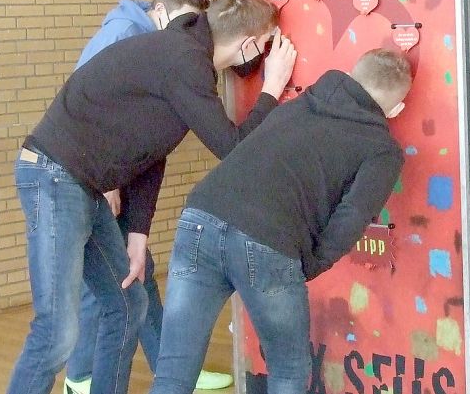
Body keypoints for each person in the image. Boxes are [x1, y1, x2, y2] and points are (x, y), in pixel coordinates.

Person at [6, 0, 297, 394]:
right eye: (266, 45)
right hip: (54, 176)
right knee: (56, 331)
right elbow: (233, 149)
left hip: (81, 185)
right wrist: (272, 89)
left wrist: (137, 233)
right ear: (248, 43)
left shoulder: (183, 55)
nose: (264, 55)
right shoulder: (184, 61)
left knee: (128, 306)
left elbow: (149, 150)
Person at [150, 48, 413, 394]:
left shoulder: (298, 106)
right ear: (395, 109)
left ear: (350, 76)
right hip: (268, 241)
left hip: (201, 216)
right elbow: (352, 218)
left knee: (174, 367)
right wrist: (310, 265)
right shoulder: (381, 149)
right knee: (289, 369)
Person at [63, 0, 233, 394]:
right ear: (162, 11)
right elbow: (90, 105)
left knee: (135, 272)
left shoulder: (157, 41)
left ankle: (172, 370)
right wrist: (104, 180)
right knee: (109, 277)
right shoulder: (126, 33)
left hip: (112, 171)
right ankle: (80, 375)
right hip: (90, 174)